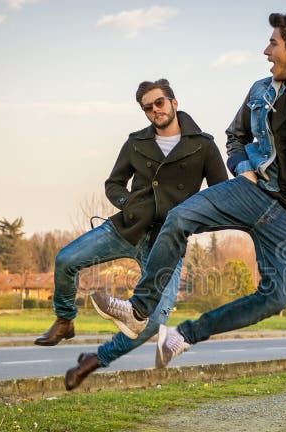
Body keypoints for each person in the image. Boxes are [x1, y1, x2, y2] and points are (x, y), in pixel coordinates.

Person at [91, 13, 286, 366]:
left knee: (275, 299)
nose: (266, 51)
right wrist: (243, 167)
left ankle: (183, 336)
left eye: (273, 43)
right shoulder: (261, 90)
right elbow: (236, 136)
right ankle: (138, 310)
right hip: (252, 192)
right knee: (179, 217)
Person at [34, 78, 227, 390]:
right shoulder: (136, 143)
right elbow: (114, 183)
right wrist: (128, 204)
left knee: (153, 320)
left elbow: (220, 195)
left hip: (168, 240)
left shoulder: (203, 145)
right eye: (147, 107)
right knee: (66, 259)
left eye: (159, 103)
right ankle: (65, 320)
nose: (154, 111)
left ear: (174, 103)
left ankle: (94, 360)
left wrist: (191, 220)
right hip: (128, 227)